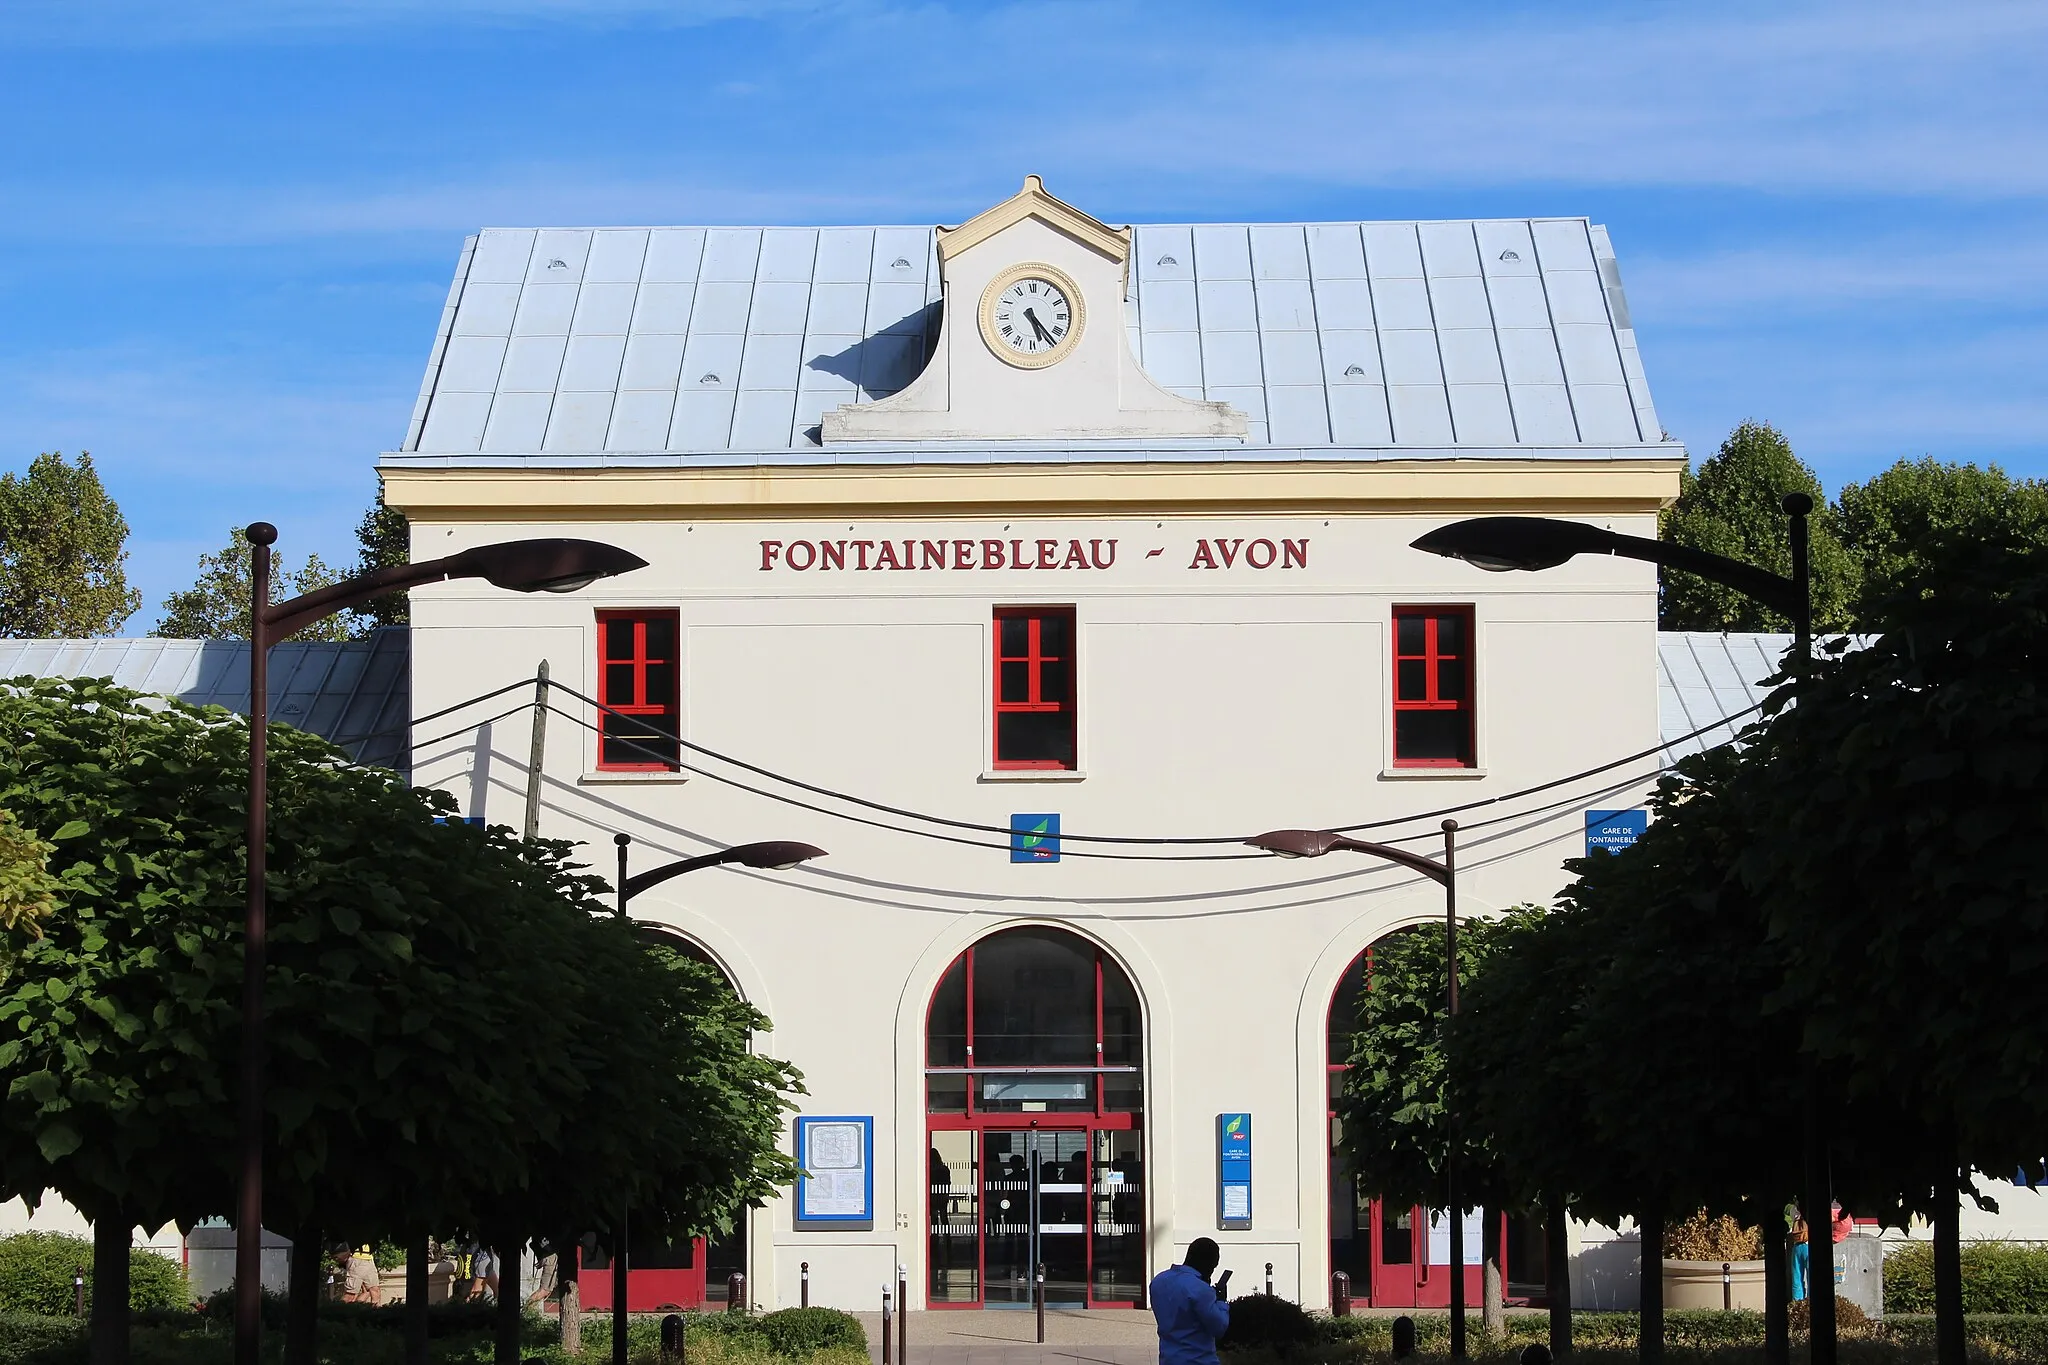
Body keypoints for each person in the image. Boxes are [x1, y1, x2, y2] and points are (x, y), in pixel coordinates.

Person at [1150, 1237, 1230, 1365]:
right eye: (1213, 1267)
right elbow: (1219, 1327)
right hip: (1198, 1360)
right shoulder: (1200, 1289)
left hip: (1168, 1359)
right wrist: (1221, 1302)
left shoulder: (1159, 1281)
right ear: (1208, 1263)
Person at [1788, 1204, 1810, 1302]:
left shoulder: (1795, 1210)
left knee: (1796, 1277)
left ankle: (1797, 1303)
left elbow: (1788, 1211)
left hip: (1797, 1246)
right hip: (1809, 1246)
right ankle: (1811, 1302)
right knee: (1812, 1277)